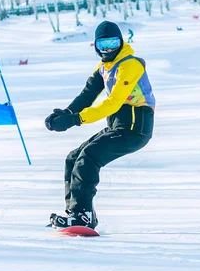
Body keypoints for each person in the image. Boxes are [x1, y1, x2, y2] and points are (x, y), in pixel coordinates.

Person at [45, 21, 155, 229]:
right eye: (104, 45)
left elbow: (113, 103)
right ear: (96, 46)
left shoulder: (130, 65)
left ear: (121, 42)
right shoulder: (105, 67)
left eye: (113, 43)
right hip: (118, 125)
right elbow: (88, 94)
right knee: (73, 157)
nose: (109, 49)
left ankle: (82, 216)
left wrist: (76, 119)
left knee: (89, 157)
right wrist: (67, 113)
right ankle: (75, 213)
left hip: (135, 127)